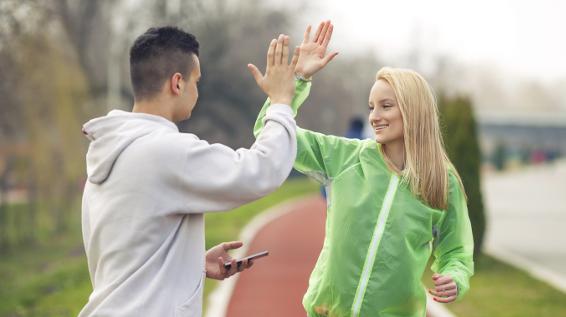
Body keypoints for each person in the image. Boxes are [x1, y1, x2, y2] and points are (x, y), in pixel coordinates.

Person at [253, 21, 474, 317]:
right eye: (371, 107)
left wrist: (455, 278)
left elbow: (456, 250)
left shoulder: (441, 180)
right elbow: (271, 135)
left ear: (412, 109)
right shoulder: (345, 156)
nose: (374, 117)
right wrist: (298, 81)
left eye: (385, 106)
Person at [79, 27, 300, 317]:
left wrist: (190, 265)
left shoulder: (108, 150)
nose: (197, 91)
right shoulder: (165, 151)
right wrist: (281, 103)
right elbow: (260, 170)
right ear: (177, 83)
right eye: (196, 81)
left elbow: (127, 249)